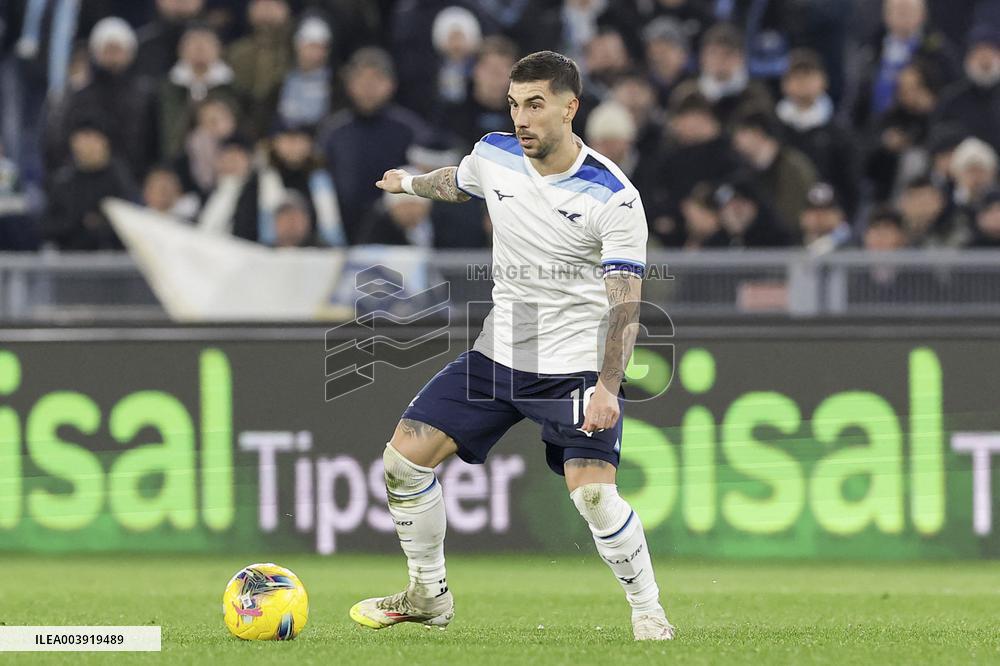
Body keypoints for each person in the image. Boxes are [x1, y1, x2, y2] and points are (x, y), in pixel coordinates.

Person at [350, 50, 674, 641]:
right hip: (496, 359)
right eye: (514, 105)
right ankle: (429, 596)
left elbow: (625, 302)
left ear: (571, 108)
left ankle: (649, 611)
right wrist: (410, 184)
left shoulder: (614, 198)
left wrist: (607, 387)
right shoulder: (496, 153)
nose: (521, 118)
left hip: (574, 368)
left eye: (535, 105)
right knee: (402, 461)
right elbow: (459, 181)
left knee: (595, 497)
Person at [317, 47, 427, 242]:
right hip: (343, 234)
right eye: (361, 79)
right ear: (349, 84)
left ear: (391, 84)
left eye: (376, 79)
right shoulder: (333, 132)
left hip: (400, 238)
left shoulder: (409, 129)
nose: (368, 86)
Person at [776, 49, 859, 216]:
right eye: (796, 76)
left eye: (808, 75)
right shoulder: (773, 129)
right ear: (784, 84)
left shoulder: (838, 132)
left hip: (826, 219)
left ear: (823, 81)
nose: (802, 82)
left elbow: (850, 185)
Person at [44, 119, 140, 250]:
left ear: (105, 142)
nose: (87, 146)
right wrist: (78, 221)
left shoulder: (119, 178)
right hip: (69, 259)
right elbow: (48, 226)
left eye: (93, 139)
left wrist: (99, 225)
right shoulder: (64, 180)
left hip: (113, 259)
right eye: (82, 139)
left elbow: (129, 221)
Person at [159, 24, 240, 160]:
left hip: (226, 161)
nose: (200, 49)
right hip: (177, 160)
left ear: (218, 49)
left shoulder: (234, 86)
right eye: (194, 44)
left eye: (206, 43)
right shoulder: (166, 88)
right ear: (181, 50)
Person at [731, 112, 818, 235]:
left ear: (757, 133)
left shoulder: (792, 167)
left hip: (792, 246)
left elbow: (793, 216)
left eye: (741, 133)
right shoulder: (747, 170)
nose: (736, 140)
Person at [226, 0, 293, 138]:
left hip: (285, 126)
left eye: (273, 3)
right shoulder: (236, 52)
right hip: (242, 125)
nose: (267, 9)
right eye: (261, 3)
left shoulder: (295, 51)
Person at [934, 26, 1000, 153]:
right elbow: (938, 137)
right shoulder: (952, 98)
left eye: (990, 53)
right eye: (979, 53)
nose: (984, 59)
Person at [276, 17, 335, 129]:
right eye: (310, 46)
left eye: (320, 47)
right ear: (298, 47)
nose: (315, 53)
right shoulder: (283, 80)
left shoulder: (335, 83)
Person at [799, 182, 853, 252]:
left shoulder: (849, 240)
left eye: (825, 209)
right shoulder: (791, 239)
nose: (819, 215)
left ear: (839, 215)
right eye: (813, 209)